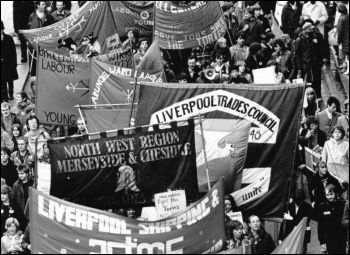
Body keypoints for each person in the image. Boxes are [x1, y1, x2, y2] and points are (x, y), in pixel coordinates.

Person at [317, 184, 347, 254]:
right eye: (327, 195)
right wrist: (322, 242)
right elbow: (320, 226)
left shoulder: (342, 205)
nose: (329, 197)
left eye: (331, 194)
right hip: (330, 239)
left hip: (341, 238)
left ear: (335, 194)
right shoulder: (322, 207)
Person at [27, 1, 55, 76]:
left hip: (45, 44)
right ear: (38, 5)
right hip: (34, 45)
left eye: (45, 4)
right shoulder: (31, 16)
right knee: (34, 64)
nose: (44, 6)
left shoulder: (49, 17)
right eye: (42, 4)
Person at [1, 21, 18, 101]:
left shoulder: (9, 38)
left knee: (10, 79)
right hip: (1, 64)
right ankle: (4, 96)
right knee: (2, 80)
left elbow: (13, 52)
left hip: (9, 62)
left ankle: (11, 93)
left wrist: (14, 63)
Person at [337, 3, 349, 75]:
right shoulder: (347, 16)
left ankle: (345, 67)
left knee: (344, 54)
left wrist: (339, 40)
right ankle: (345, 67)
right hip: (347, 37)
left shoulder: (341, 18)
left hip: (345, 38)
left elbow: (340, 31)